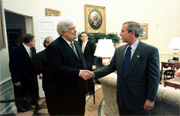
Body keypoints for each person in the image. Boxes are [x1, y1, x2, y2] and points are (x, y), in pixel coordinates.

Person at [85, 21, 160, 115]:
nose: (120, 34)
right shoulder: (119, 50)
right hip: (122, 100)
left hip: (140, 101)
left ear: (132, 33)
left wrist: (150, 99)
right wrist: (93, 74)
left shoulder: (150, 51)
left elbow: (154, 77)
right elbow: (110, 67)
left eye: (122, 31)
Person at [46, 20, 89, 115]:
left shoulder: (77, 43)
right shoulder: (54, 47)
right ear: (63, 32)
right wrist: (79, 72)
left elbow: (81, 63)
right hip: (65, 92)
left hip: (79, 89)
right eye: (72, 29)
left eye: (75, 28)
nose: (75, 31)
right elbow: (56, 68)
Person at [9, 34, 41, 112]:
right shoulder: (17, 50)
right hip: (22, 76)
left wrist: (39, 72)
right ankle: (24, 106)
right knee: (23, 92)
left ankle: (35, 103)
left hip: (32, 74)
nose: (35, 42)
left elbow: (34, 62)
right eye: (34, 40)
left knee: (34, 89)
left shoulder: (33, 49)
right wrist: (16, 80)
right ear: (30, 41)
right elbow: (13, 66)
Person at [35, 36, 54, 114]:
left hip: (62, 84)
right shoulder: (40, 55)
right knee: (51, 104)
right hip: (49, 84)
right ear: (46, 44)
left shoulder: (59, 53)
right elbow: (38, 69)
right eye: (52, 42)